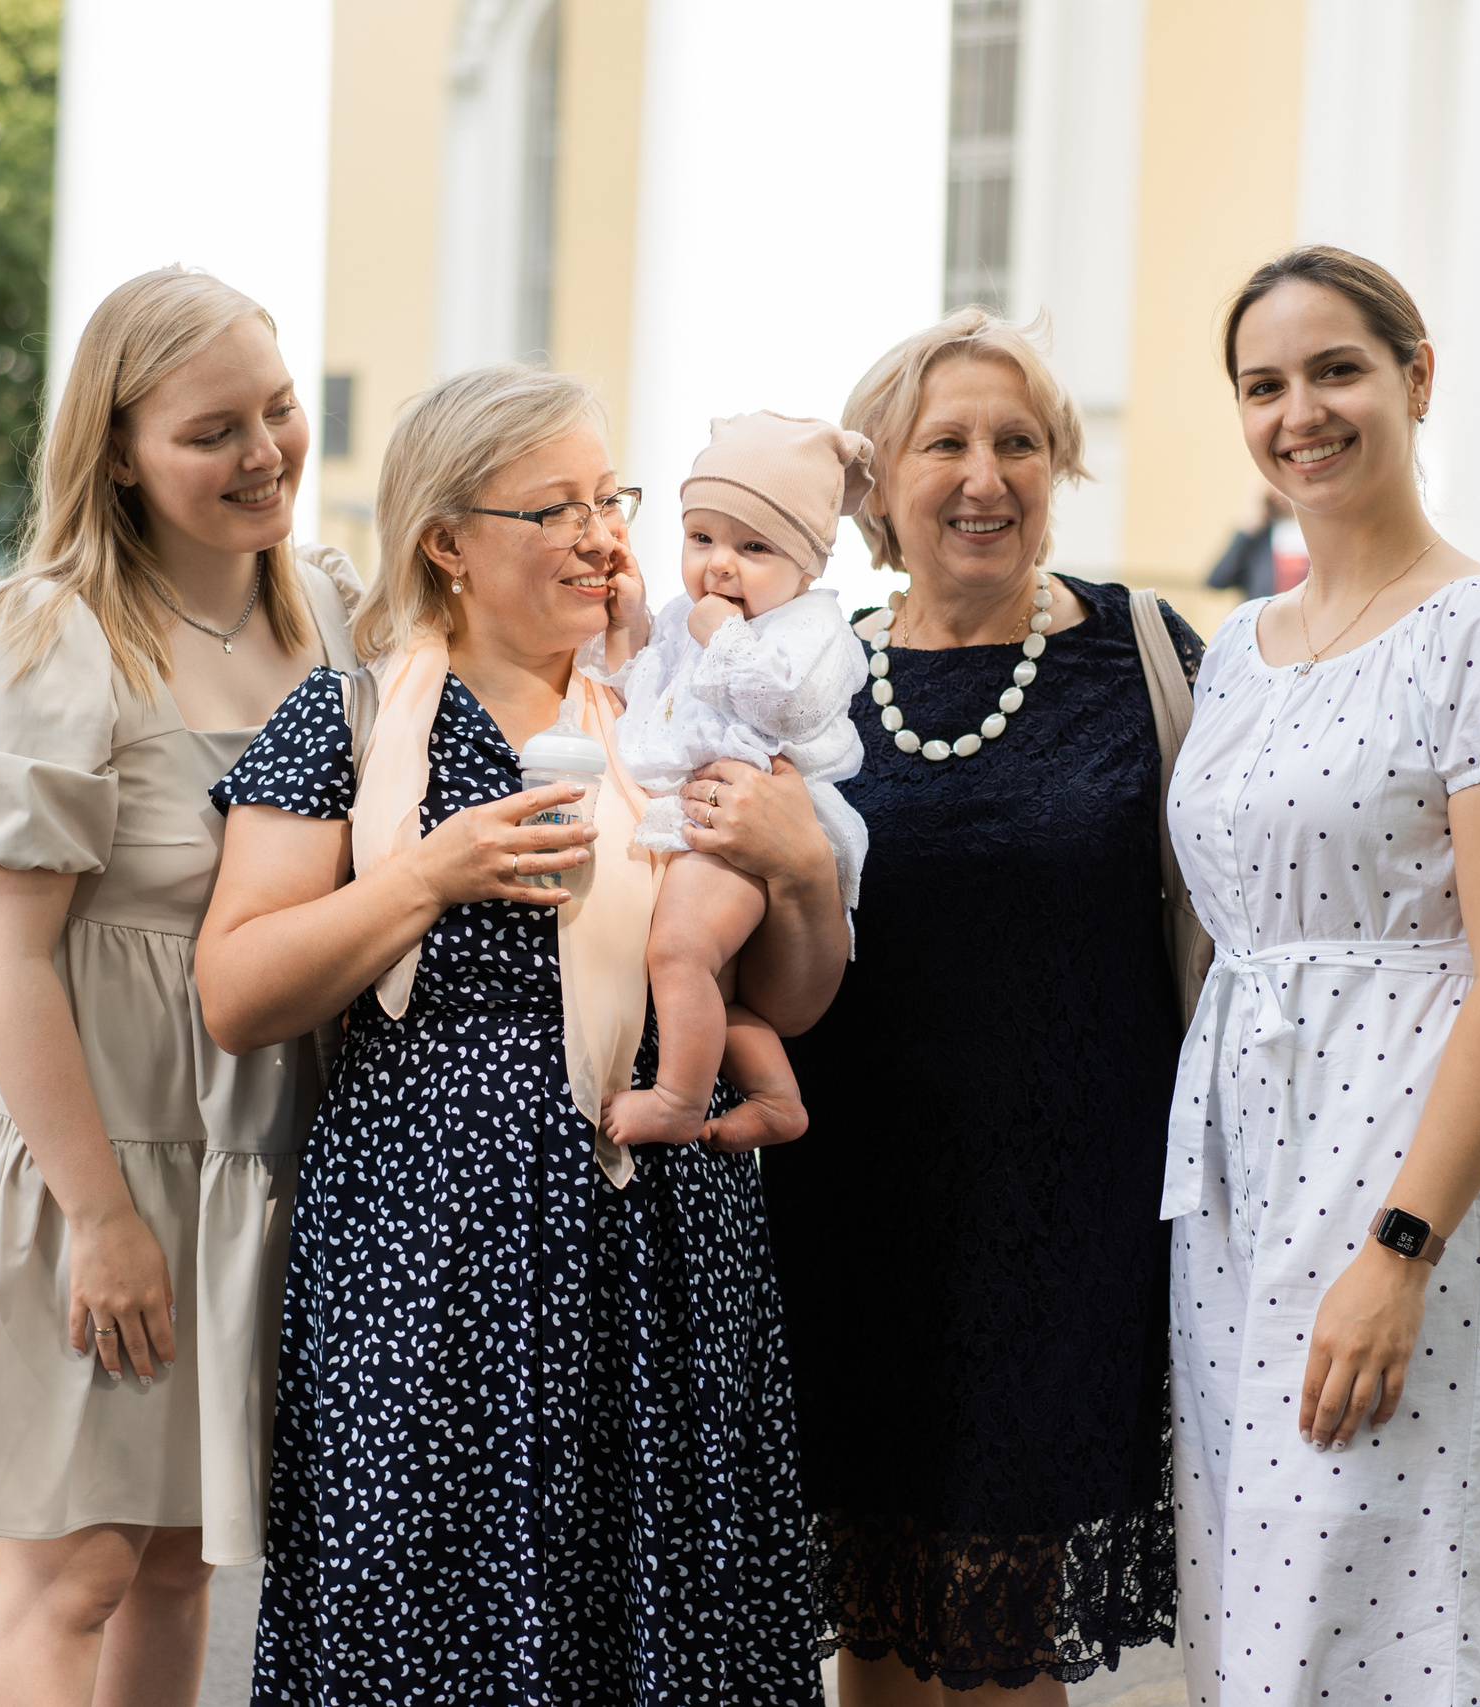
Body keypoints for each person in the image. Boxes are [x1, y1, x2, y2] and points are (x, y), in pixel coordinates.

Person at [194, 365, 850, 1704]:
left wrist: (806, 872)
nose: (605, 534)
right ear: (447, 538)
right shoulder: (353, 718)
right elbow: (237, 989)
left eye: (611, 499)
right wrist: (424, 878)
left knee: (659, 1614)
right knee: (426, 1603)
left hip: (663, 1244)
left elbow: (788, 996)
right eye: (556, 507)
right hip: (427, 1253)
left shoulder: (677, 713)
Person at [0, 267, 364, 1705]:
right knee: (73, 1565)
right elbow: (3, 956)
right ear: (120, 449)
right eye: (213, 430)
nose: (264, 451)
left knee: (181, 1555)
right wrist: (100, 1218)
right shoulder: (48, 637)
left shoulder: (330, 606)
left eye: (277, 410)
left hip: (250, 1147)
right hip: (95, 1145)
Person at [1164, 245, 1480, 1702]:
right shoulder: (1240, 649)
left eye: (1337, 368)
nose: (1303, 411)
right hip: (1243, 1177)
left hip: (1405, 1172)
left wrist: (1400, 1247)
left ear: (1416, 378)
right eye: (1264, 383)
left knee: (1406, 1579)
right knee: (1271, 1596)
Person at [763, 309, 1198, 1703]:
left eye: (1019, 442)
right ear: (877, 483)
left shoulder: (1139, 652)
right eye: (943, 442)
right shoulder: (803, 666)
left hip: (1061, 1223)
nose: (985, 475)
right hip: (843, 1205)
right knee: (875, 1628)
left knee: (1002, 1641)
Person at [601, 410, 874, 1153]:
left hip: (758, 820)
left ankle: (679, 1100)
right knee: (712, 985)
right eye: (702, 538)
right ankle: (776, 1096)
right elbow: (647, 691)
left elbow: (788, 702)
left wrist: (720, 632)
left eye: (754, 546)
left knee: (678, 951)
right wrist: (632, 624)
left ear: (810, 565)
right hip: (703, 820)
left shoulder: (814, 628)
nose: (720, 565)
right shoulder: (687, 615)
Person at [1204, 482, 1308, 599]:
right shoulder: (1258, 536)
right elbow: (1217, 581)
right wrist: (1251, 524)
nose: (1281, 493)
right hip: (1265, 616)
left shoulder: (1319, 535)